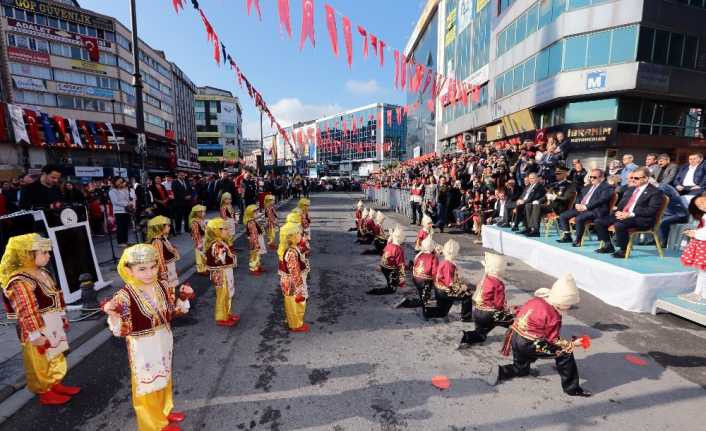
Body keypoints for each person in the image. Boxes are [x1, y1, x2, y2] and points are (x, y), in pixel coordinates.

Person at [102, 244, 193, 430]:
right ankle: (153, 424)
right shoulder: (124, 296)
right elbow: (121, 331)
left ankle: (164, 410)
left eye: (153, 267)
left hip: (164, 339)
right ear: (129, 270)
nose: (149, 273)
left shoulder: (162, 285)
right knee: (148, 383)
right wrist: (113, 314)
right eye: (142, 269)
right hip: (143, 345)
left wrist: (183, 298)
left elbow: (171, 313)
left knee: (164, 375)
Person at [0, 234, 81, 406]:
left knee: (55, 353)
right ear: (27, 255)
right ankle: (45, 391)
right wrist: (35, 334)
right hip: (36, 326)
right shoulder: (19, 280)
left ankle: (55, 383)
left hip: (51, 322)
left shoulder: (42, 272)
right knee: (40, 360)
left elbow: (56, 294)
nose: (48, 256)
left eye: (47, 252)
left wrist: (61, 315)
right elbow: (25, 309)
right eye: (43, 252)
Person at [485, 274, 591, 397]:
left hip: (515, 336)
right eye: (568, 304)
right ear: (561, 301)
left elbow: (519, 311)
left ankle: (501, 371)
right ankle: (572, 389)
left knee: (521, 369)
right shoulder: (554, 316)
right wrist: (573, 343)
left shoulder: (537, 300)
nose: (569, 307)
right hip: (529, 343)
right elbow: (553, 340)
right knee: (565, 353)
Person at [593, 167, 664, 258]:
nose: (633, 180)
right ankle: (608, 245)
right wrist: (619, 212)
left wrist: (630, 214)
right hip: (625, 215)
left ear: (646, 178)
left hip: (642, 219)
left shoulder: (655, 192)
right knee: (599, 221)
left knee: (619, 224)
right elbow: (622, 205)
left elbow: (651, 210)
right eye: (632, 178)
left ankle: (623, 250)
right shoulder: (630, 189)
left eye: (636, 178)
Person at [459, 253, 514, 348]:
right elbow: (499, 304)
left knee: (480, 333)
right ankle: (515, 344)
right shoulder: (498, 283)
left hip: (477, 311)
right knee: (513, 322)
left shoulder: (485, 278)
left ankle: (466, 336)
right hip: (489, 314)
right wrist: (507, 311)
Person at [557, 169, 614, 247]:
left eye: (594, 177)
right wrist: (577, 203)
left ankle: (578, 240)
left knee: (579, 218)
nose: (592, 179)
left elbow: (602, 200)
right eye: (590, 177)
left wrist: (586, 207)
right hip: (582, 208)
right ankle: (567, 236)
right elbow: (579, 195)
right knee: (563, 215)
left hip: (596, 210)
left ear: (602, 178)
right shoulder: (589, 186)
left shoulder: (607, 187)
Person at [204, 218, 239, 327]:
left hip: (224, 272)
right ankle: (221, 317)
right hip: (221, 273)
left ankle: (227, 313)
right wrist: (233, 256)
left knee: (227, 293)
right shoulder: (217, 245)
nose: (228, 231)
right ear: (216, 231)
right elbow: (223, 260)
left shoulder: (220, 242)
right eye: (225, 229)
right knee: (223, 294)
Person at [524, 166, 576, 237]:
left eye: (559, 174)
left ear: (565, 174)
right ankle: (530, 228)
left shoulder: (570, 185)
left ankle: (535, 230)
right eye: (556, 174)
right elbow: (547, 195)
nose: (556, 175)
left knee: (537, 206)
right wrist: (538, 201)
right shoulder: (555, 184)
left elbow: (566, 198)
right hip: (551, 206)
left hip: (560, 207)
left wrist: (555, 197)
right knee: (529, 205)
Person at [277, 221, 310, 332]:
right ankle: (295, 324)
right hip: (292, 282)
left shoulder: (294, 249)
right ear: (291, 237)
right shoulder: (291, 252)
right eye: (297, 233)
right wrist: (299, 286)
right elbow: (294, 270)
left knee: (294, 302)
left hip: (291, 281)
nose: (300, 234)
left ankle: (294, 321)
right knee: (294, 303)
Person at [432, 240, 473, 321]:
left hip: (439, 288)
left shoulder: (444, 261)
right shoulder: (449, 265)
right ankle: (466, 317)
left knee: (442, 310)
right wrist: (462, 287)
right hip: (444, 290)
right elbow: (450, 282)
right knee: (467, 295)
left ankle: (442, 311)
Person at [679, 194, 706, 303]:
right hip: (702, 244)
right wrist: (695, 232)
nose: (702, 206)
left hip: (703, 244)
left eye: (703, 202)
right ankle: (698, 292)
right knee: (702, 271)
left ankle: (701, 293)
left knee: (703, 271)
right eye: (699, 206)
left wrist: (694, 234)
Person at [147, 216, 180, 297]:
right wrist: (163, 272)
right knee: (167, 288)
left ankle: (171, 302)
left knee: (171, 287)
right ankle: (169, 304)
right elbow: (160, 258)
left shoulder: (162, 238)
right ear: (160, 227)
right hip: (166, 268)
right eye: (167, 225)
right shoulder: (157, 241)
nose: (169, 227)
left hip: (169, 266)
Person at [405, 236, 439, 315]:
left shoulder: (419, 254)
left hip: (416, 278)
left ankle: (422, 295)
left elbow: (415, 264)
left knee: (422, 291)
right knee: (425, 296)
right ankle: (423, 300)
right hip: (425, 281)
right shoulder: (434, 257)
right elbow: (435, 272)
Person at [368, 226, 406, 295]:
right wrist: (402, 277)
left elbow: (384, 254)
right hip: (389, 269)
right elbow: (401, 265)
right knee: (392, 289)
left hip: (383, 266)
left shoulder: (389, 245)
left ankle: (392, 281)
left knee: (392, 279)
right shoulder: (399, 249)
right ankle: (376, 291)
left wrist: (380, 265)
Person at [109, 177, 135, 247]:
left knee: (125, 227)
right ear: (115, 182)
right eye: (119, 181)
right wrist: (126, 204)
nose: (121, 183)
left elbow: (129, 198)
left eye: (121, 181)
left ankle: (125, 241)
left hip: (126, 211)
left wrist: (130, 203)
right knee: (120, 227)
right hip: (118, 211)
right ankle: (120, 242)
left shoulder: (125, 190)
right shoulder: (112, 191)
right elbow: (115, 202)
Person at [244, 204, 265, 275]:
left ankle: (258, 266)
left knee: (258, 255)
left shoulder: (253, 221)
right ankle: (253, 269)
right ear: (250, 214)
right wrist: (256, 243)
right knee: (254, 255)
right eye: (255, 213)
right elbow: (253, 234)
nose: (257, 214)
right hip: (255, 241)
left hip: (257, 239)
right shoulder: (251, 222)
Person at [189, 204, 207, 275]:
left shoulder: (201, 220)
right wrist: (198, 243)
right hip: (200, 241)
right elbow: (195, 234)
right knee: (200, 256)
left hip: (204, 239)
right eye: (201, 212)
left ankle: (205, 268)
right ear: (197, 213)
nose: (203, 213)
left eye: (203, 211)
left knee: (204, 255)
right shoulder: (194, 222)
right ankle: (201, 270)